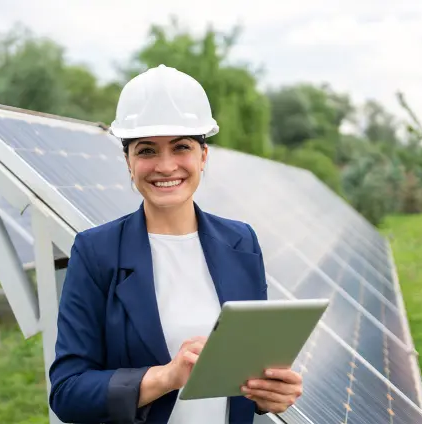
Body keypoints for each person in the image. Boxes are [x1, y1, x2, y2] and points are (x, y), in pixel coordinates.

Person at [47, 64, 305, 424]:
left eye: (181, 147)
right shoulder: (96, 251)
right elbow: (68, 392)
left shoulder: (241, 241)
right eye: (147, 150)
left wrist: (269, 394)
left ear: (203, 155)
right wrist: (165, 377)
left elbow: (249, 369)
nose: (165, 166)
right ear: (128, 161)